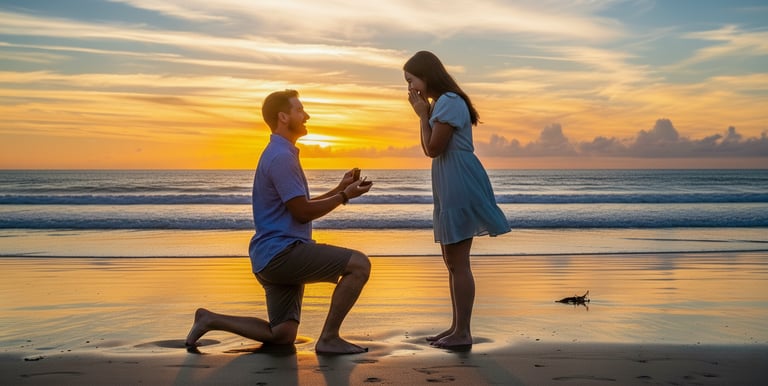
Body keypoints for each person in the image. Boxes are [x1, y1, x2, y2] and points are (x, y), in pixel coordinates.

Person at [185, 89, 373, 355]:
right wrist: (344, 196)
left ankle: (209, 319)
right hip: (283, 253)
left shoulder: (279, 153)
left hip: (269, 257)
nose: (306, 115)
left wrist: (339, 188)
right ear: (283, 117)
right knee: (359, 265)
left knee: (282, 334)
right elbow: (302, 212)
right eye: (300, 110)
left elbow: (298, 205)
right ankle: (329, 338)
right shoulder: (281, 157)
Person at [404, 51, 510, 348]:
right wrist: (424, 115)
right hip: (450, 179)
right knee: (452, 261)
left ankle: (463, 332)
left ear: (426, 76)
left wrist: (422, 115)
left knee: (459, 261)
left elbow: (433, 148)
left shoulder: (449, 102)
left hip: (459, 180)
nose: (411, 88)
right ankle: (455, 327)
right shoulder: (442, 103)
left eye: (412, 80)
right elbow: (430, 148)